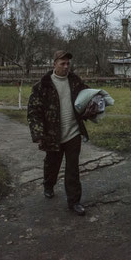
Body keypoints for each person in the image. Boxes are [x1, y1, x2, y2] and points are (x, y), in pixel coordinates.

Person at [27, 50, 89, 216]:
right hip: (52, 135)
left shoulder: (76, 81)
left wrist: (95, 106)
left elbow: (87, 97)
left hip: (73, 133)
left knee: (72, 169)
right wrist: (39, 134)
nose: (66, 66)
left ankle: (74, 201)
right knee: (52, 164)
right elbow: (34, 112)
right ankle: (48, 185)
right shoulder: (42, 86)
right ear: (54, 64)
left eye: (68, 63)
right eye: (62, 63)